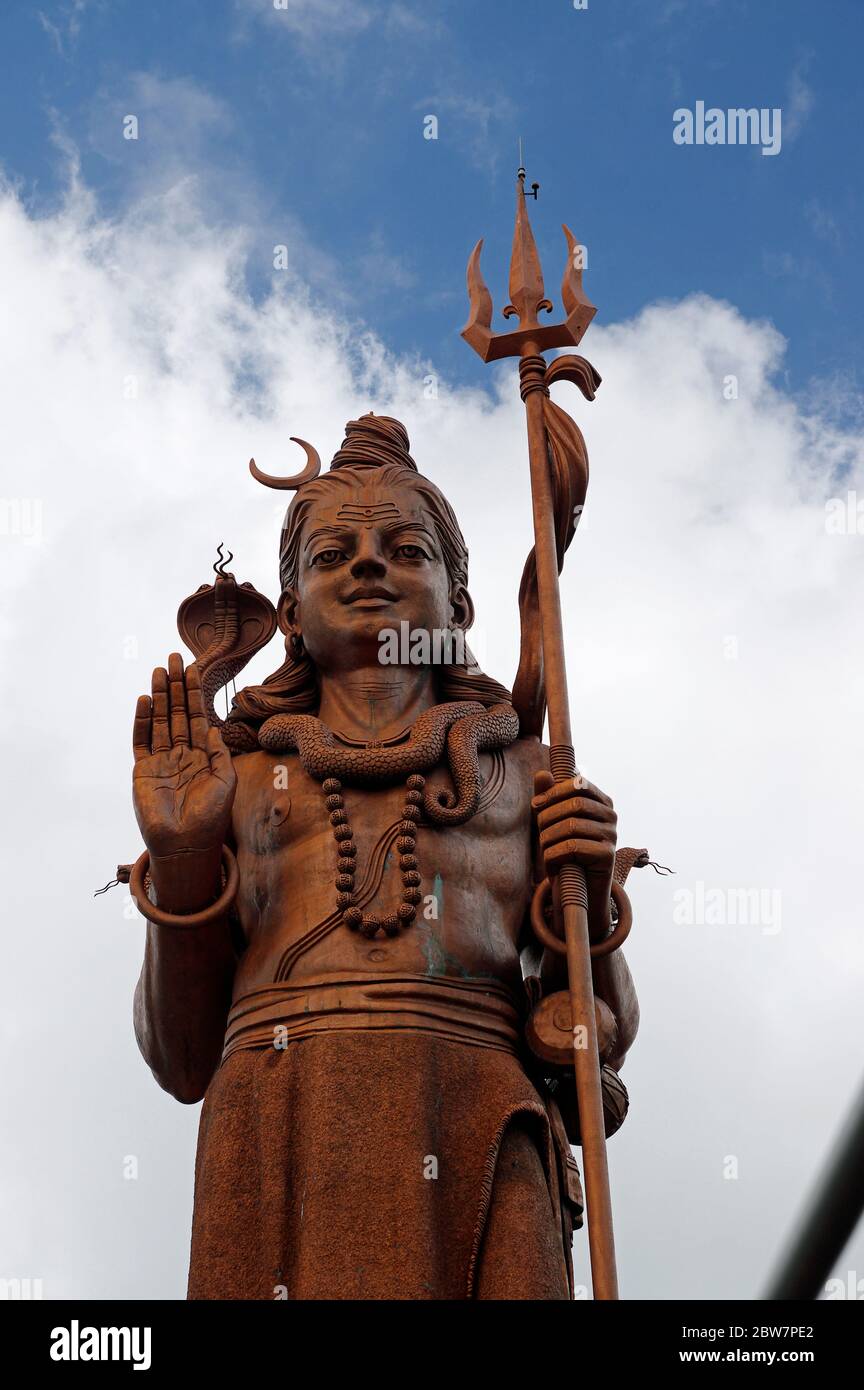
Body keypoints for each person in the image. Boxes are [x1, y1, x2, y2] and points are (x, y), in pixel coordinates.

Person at [131, 414, 638, 1299]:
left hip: (480, 1109)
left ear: (459, 604)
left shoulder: (524, 774)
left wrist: (588, 895)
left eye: (405, 549)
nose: (368, 565)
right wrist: (180, 855)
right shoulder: (242, 779)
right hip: (281, 1108)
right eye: (332, 555)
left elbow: (601, 1034)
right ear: (289, 612)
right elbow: (179, 1059)